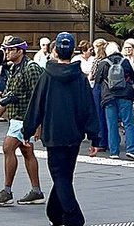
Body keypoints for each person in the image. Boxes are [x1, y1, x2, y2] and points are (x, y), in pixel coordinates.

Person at [21, 30, 96, 226]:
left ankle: (74, 218)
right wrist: (95, 137)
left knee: (60, 175)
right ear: (72, 52)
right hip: (74, 134)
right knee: (64, 175)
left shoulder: (47, 76)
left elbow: (36, 104)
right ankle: (55, 213)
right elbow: (89, 107)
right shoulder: (80, 78)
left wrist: (27, 130)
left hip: (53, 133)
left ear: (55, 50)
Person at [0, 36, 44, 208]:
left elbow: (39, 97)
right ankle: (36, 191)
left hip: (25, 118)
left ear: (20, 51)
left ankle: (7, 191)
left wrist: (38, 125)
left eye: (10, 49)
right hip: (17, 117)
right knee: (27, 152)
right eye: (6, 49)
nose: (6, 52)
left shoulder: (31, 68)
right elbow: (10, 95)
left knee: (8, 148)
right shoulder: (14, 68)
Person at [100, 40, 134, 159]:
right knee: (128, 123)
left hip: (109, 97)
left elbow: (97, 79)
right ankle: (131, 149)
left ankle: (114, 152)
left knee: (112, 124)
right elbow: (133, 75)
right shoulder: (125, 61)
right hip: (125, 96)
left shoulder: (103, 63)